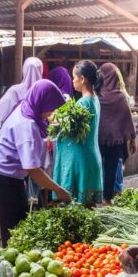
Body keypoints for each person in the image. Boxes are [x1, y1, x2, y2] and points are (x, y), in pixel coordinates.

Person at [0, 80, 72, 245]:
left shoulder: (28, 106)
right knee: (14, 220)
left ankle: (13, 250)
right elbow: (32, 169)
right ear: (41, 102)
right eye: (50, 108)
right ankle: (11, 255)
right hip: (3, 172)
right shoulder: (28, 125)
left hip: (9, 169)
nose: (51, 113)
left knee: (19, 215)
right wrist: (58, 190)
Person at [0, 57, 44, 204]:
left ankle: (21, 202)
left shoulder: (16, 90)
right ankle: (31, 202)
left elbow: (0, 111)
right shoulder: (41, 92)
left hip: (10, 143)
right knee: (30, 172)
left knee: (19, 175)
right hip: (32, 141)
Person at [53, 60, 104, 205]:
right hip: (91, 155)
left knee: (78, 209)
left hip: (80, 159)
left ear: (82, 79)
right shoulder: (95, 99)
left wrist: (56, 120)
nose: (73, 81)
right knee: (88, 209)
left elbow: (70, 130)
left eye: (74, 77)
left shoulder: (83, 102)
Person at [98, 63, 136, 205]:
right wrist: (132, 138)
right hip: (115, 141)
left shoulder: (96, 95)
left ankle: (95, 196)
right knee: (111, 169)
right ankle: (107, 198)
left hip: (97, 140)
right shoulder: (120, 97)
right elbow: (127, 118)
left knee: (97, 167)